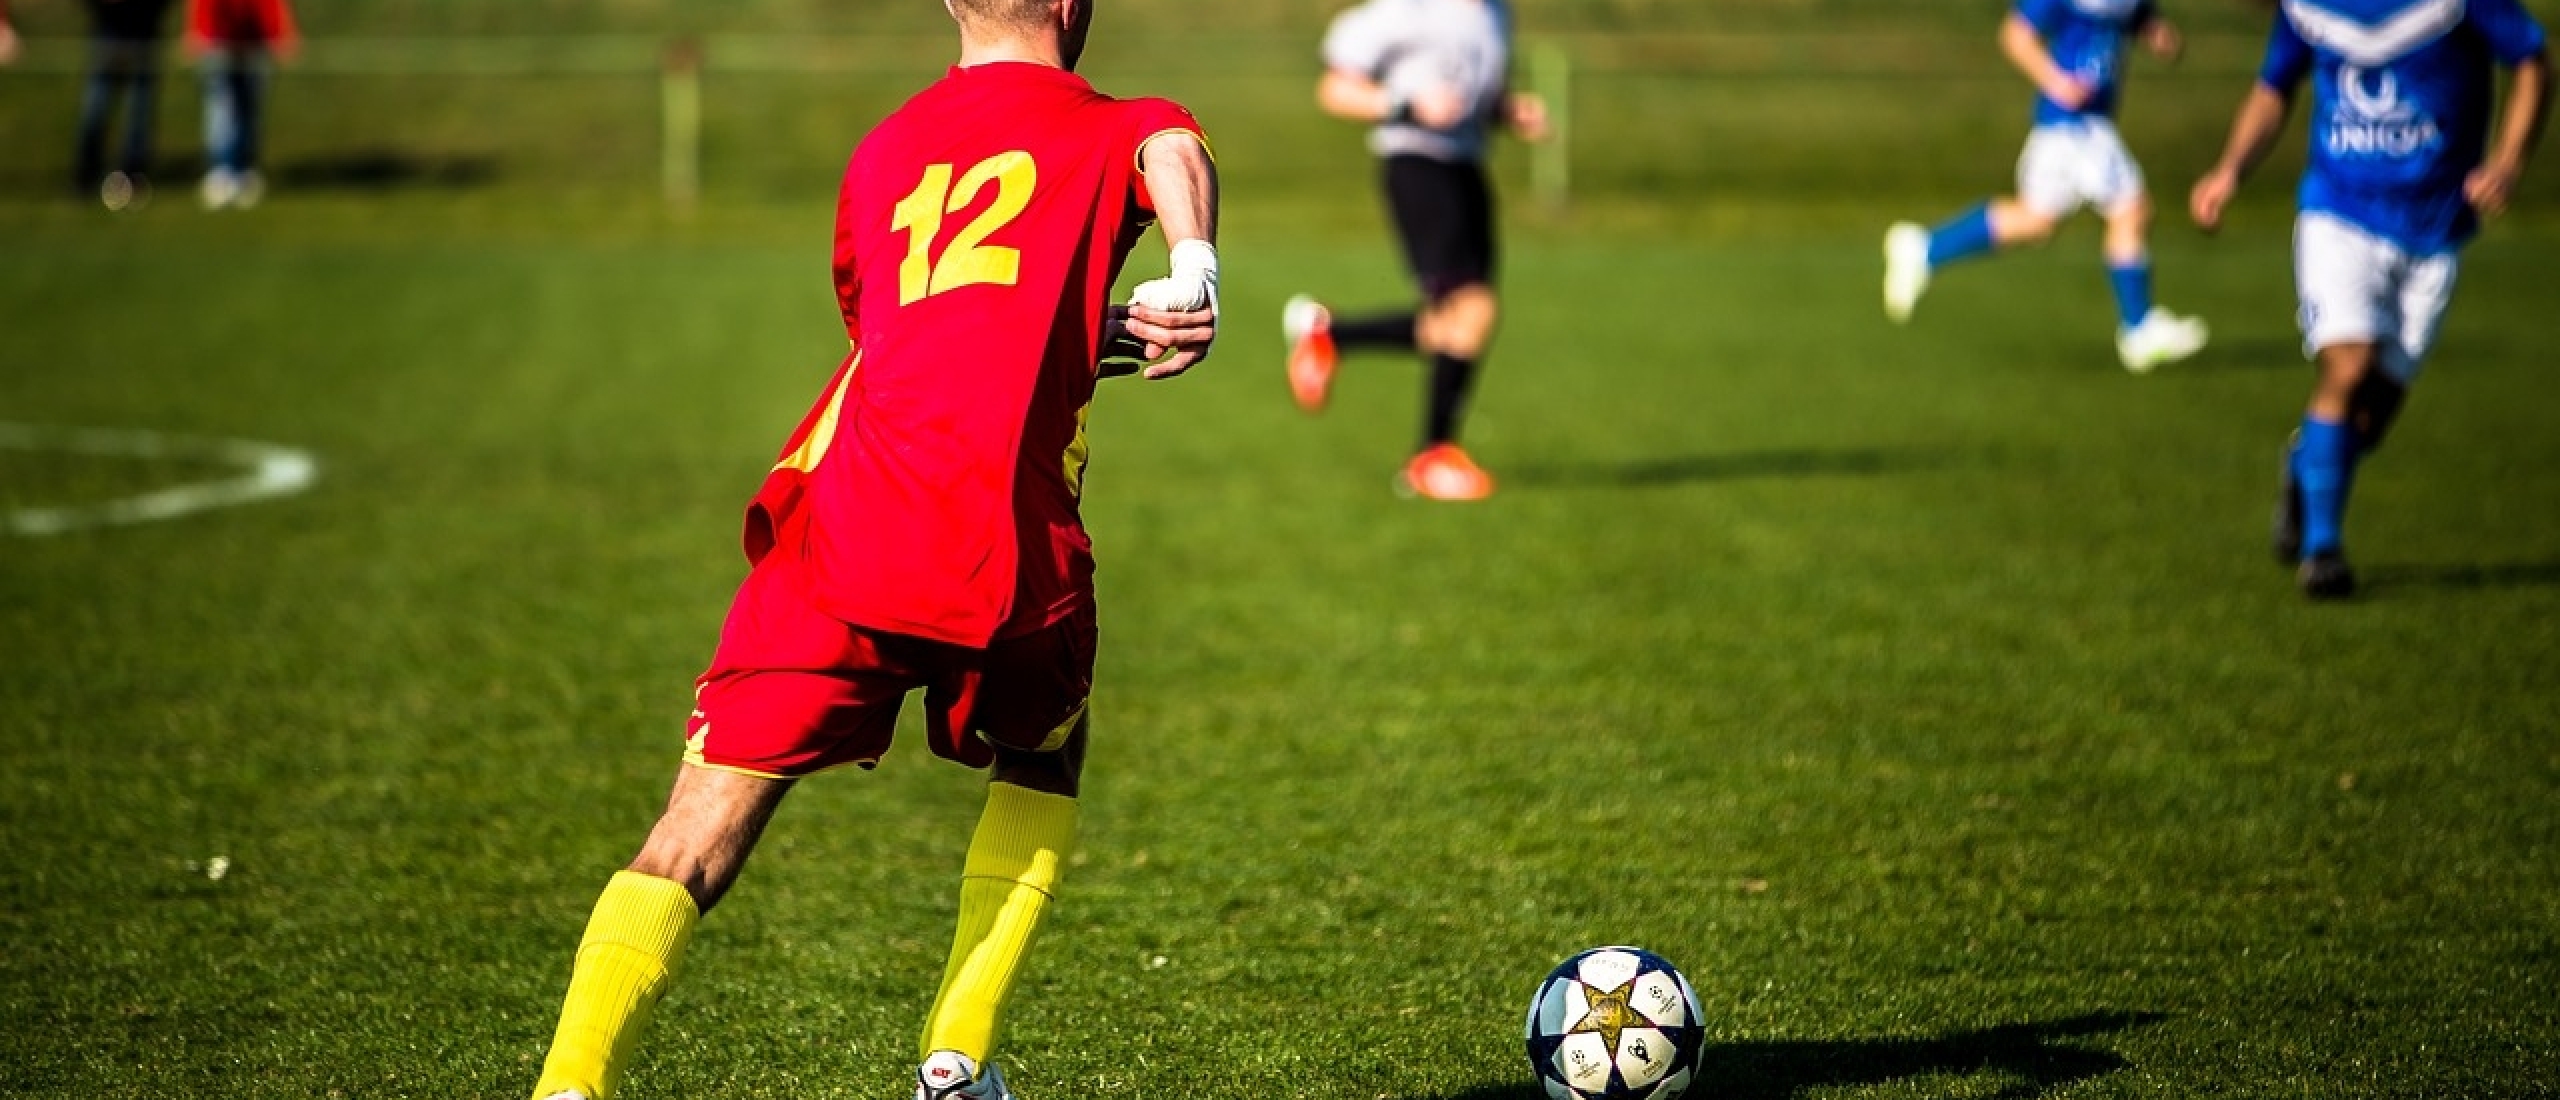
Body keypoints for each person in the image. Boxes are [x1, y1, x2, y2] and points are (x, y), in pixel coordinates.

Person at [522, 1, 1221, 1098]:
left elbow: (899, 329)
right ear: (1077, 5)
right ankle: (956, 1055)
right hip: (1007, 542)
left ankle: (570, 1080)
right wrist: (1194, 266)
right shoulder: (1117, 121)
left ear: (952, 4)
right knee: (1043, 752)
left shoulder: (883, 149)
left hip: (845, 530)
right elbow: (1167, 147)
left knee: (692, 828)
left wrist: (1062, 318)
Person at [2192, 0, 2547, 599]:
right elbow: (2273, 87)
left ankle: (2306, 466)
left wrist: (2509, 161)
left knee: (2372, 416)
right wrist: (2230, 170)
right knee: (2347, 363)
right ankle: (2322, 552)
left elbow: (2533, 62)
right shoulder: (2308, 7)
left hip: (2434, 228)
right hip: (2339, 211)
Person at [1282, 0, 1548, 502]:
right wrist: (1406, 104)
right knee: (1473, 309)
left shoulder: (1496, 13)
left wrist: (1508, 111)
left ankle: (1331, 335)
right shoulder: (1408, 10)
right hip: (1417, 163)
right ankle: (1433, 456)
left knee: (1453, 324)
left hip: (1467, 167)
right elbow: (1334, 90)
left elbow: (1475, 98)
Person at [1884, 0, 2210, 373]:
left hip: (2074, 124)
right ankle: (2139, 329)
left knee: (2036, 220)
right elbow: (2015, 35)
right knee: (2131, 207)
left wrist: (2155, 31)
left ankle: (1925, 249)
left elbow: (2134, 15)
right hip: (2075, 123)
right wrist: (2057, 82)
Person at [184, 0, 295, 209]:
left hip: (253, 44)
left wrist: (280, 35)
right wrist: (199, 34)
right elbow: (204, 8)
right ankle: (221, 170)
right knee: (221, 110)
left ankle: (244, 170)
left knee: (249, 109)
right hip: (218, 44)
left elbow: (270, 6)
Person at [76, 0, 181, 211]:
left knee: (139, 106)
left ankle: (133, 176)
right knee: (99, 101)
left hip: (144, 21)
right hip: (110, 21)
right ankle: (86, 174)